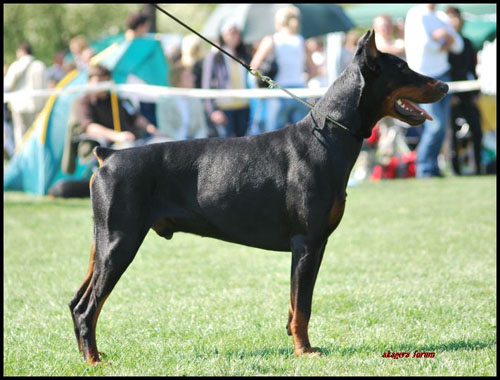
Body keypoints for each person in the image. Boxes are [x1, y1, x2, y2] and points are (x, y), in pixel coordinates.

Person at [405, 4, 464, 178]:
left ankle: (432, 168)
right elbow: (424, 45)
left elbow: (458, 45)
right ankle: (424, 168)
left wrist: (443, 37)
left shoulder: (440, 16)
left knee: (441, 127)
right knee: (435, 126)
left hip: (443, 76)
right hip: (424, 78)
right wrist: (445, 39)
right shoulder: (416, 14)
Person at [250, 6, 316, 130]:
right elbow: (314, 69)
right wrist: (305, 79)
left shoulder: (271, 40)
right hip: (300, 91)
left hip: (279, 91)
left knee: (274, 134)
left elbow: (253, 66)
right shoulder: (301, 41)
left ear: (278, 22)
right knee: (300, 134)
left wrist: (263, 80)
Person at [75, 64, 163, 149]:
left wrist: (152, 129)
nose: (100, 85)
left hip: (135, 140)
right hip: (109, 147)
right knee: (128, 148)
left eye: (103, 81)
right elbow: (90, 127)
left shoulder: (117, 99)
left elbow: (135, 117)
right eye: (97, 81)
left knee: (162, 142)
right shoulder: (83, 102)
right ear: (89, 81)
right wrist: (117, 136)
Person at [445, 6, 482, 175]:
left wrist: (476, 94)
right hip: (451, 93)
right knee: (451, 133)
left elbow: (472, 70)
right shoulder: (444, 46)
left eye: (457, 18)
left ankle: (477, 169)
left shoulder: (467, 43)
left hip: (468, 91)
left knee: (476, 130)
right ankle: (455, 170)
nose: (455, 22)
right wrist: (449, 94)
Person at [201, 18, 251, 137]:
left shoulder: (244, 56)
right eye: (231, 32)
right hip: (224, 108)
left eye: (237, 32)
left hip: (243, 107)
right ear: (223, 35)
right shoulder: (214, 56)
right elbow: (206, 84)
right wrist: (212, 111)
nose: (235, 36)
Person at [4, 42, 47, 148]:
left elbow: (7, 85)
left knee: (21, 135)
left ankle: (22, 160)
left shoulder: (16, 65)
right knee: (36, 134)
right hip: (37, 106)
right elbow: (45, 87)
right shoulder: (40, 65)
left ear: (21, 51)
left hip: (19, 105)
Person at [156, 63, 208, 140]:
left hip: (193, 142)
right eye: (188, 76)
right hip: (172, 141)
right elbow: (165, 128)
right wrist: (181, 142)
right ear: (178, 79)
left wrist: (198, 142)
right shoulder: (165, 99)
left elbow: (201, 127)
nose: (193, 78)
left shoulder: (196, 99)